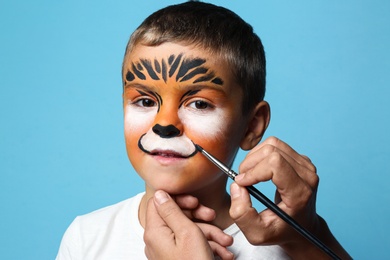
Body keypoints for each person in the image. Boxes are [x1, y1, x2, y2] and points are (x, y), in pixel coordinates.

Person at [56, 1, 351, 259]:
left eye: (199, 104)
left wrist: (309, 235)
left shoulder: (287, 245)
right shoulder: (87, 238)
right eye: (145, 100)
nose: (165, 123)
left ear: (252, 126)